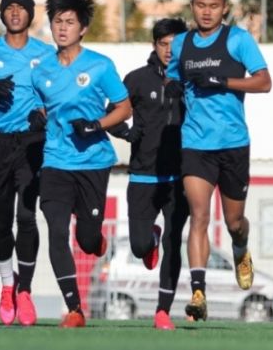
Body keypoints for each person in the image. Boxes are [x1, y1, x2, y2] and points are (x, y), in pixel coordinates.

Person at [166, 0, 272, 322]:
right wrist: (169, 88)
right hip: (195, 142)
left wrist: (223, 81)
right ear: (192, 5)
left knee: (233, 220)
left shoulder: (238, 40)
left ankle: (240, 248)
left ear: (224, 8)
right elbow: (172, 78)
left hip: (233, 144)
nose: (206, 12)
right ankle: (198, 293)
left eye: (213, 6)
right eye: (200, 5)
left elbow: (264, 82)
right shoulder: (181, 44)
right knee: (198, 215)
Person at [31, 0, 132, 328]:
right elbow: (41, 106)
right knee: (57, 232)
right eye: (57, 21)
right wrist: (37, 116)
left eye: (69, 22)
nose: (62, 28)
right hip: (55, 163)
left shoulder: (100, 66)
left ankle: (95, 237)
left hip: (93, 161)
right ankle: (74, 309)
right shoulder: (41, 70)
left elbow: (124, 108)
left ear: (83, 28)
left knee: (88, 242)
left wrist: (96, 125)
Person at [0, 0, 55, 326]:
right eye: (10, 8)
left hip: (33, 141)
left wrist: (43, 113)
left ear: (31, 15)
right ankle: (8, 285)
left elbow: (56, 93)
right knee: (1, 220)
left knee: (27, 217)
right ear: (2, 15)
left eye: (22, 8)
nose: (16, 13)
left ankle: (25, 292)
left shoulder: (46, 54)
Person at [108, 18, 190, 331]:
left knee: (174, 240)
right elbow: (112, 114)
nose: (169, 50)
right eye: (163, 43)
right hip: (142, 175)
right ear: (154, 45)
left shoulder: (192, 81)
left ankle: (163, 311)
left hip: (179, 177)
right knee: (140, 246)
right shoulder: (137, 80)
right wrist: (127, 132)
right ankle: (148, 240)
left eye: (175, 44)